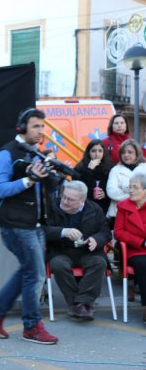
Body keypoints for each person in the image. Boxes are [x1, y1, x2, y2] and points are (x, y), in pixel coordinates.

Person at [0, 108, 58, 345]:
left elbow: (48, 188)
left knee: (30, 271)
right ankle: (32, 327)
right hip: (15, 224)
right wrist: (28, 180)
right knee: (35, 274)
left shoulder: (36, 153)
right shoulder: (6, 154)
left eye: (43, 127)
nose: (41, 131)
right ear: (21, 128)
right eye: (36, 126)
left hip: (34, 223)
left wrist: (51, 175)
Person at [44, 180, 111, 320]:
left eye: (70, 199)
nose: (65, 201)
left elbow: (105, 232)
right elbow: (42, 230)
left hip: (87, 251)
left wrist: (96, 239)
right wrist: (63, 231)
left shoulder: (94, 209)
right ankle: (80, 304)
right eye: (64, 196)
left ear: (82, 201)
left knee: (99, 262)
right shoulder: (52, 206)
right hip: (61, 250)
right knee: (58, 265)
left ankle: (81, 304)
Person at [114, 171, 146, 325]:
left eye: (135, 187)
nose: (131, 190)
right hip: (135, 249)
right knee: (143, 263)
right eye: (130, 187)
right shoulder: (123, 207)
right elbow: (119, 233)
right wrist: (141, 242)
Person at [106, 139, 146, 221]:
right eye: (123, 152)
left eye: (130, 152)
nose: (126, 155)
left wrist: (125, 190)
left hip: (142, 212)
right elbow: (112, 192)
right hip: (118, 213)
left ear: (137, 154)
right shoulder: (115, 170)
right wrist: (137, 195)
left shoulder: (144, 168)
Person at [74, 139, 114, 217]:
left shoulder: (110, 167)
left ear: (104, 152)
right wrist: (89, 169)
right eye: (93, 151)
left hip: (104, 205)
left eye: (100, 151)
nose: (97, 154)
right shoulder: (80, 167)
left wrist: (105, 194)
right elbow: (79, 185)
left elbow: (112, 186)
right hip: (86, 204)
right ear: (88, 153)